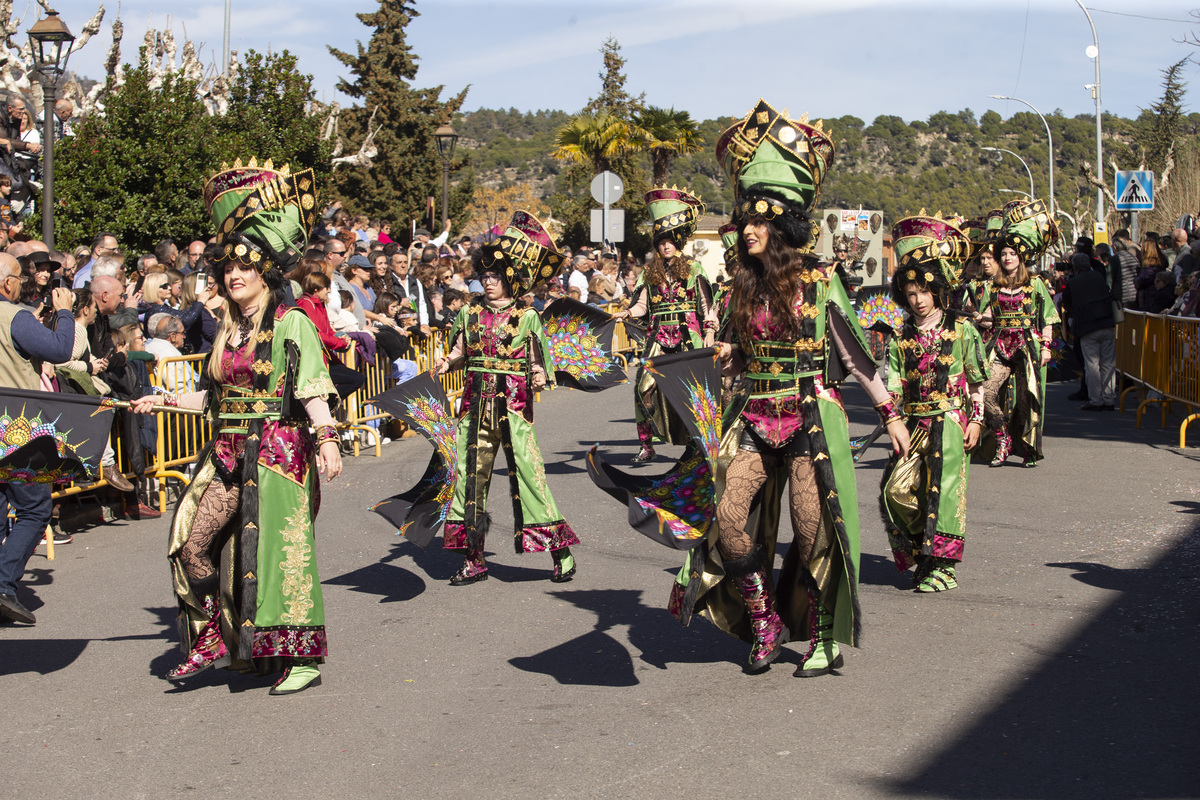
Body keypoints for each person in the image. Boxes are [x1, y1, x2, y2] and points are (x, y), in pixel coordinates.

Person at [673, 100, 909, 676]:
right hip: (754, 418)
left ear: (780, 226)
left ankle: (823, 635)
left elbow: (856, 356)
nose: (746, 229)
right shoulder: (741, 289)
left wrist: (892, 417)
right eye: (743, 220)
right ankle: (763, 621)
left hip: (807, 417)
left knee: (810, 531)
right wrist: (725, 357)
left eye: (756, 221)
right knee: (726, 522)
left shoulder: (821, 283)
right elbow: (733, 360)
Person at [131, 159, 339, 695]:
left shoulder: (290, 322)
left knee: (279, 555)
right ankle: (214, 635)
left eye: (245, 268)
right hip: (226, 454)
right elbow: (215, 395)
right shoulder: (229, 329)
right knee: (189, 544)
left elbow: (310, 386)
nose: (235, 275)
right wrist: (163, 398)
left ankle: (301, 657)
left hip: (279, 454)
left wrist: (328, 440)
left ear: (263, 272)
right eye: (228, 269)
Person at [433, 211, 578, 585]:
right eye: (484, 275)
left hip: (514, 408)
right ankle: (474, 560)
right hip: (474, 406)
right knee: (469, 481)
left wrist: (541, 374)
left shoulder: (528, 316)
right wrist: (445, 361)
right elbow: (459, 353)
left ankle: (560, 552)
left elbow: (538, 360)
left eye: (495, 276)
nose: (488, 281)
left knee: (530, 477)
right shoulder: (468, 312)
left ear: (509, 278)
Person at [880, 216, 987, 593]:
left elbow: (977, 381)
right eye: (910, 295)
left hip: (951, 422)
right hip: (912, 424)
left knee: (944, 492)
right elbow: (893, 384)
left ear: (936, 291)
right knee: (896, 492)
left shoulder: (961, 329)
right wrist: (890, 417)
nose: (918, 300)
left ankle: (943, 567)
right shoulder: (899, 336)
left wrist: (976, 419)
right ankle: (923, 551)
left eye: (923, 292)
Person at [613, 187, 715, 462]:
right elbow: (643, 305)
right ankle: (647, 445)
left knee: (693, 393)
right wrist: (627, 313)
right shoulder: (650, 272)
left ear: (678, 241)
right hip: (657, 338)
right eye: (661, 241)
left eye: (670, 240)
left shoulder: (694, 269)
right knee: (642, 389)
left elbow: (706, 304)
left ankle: (698, 446)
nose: (665, 245)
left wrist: (709, 331)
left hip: (688, 338)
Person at [0, 254, 75, 624]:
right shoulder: (12, 316)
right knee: (34, 508)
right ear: (6, 284)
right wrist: (64, 313)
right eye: (18, 276)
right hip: (14, 428)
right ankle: (3, 584)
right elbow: (60, 350)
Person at [978, 199, 1060, 467]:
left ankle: (1025, 446)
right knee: (986, 393)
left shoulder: (1035, 284)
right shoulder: (992, 288)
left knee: (1027, 398)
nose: (1007, 258)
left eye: (1011, 254)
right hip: (999, 347)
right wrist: (982, 319)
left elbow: (1046, 317)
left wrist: (1046, 346)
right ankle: (1002, 438)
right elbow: (988, 319)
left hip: (1027, 347)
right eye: (1003, 255)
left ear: (1020, 257)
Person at [1061, 251, 1117, 411]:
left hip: (1086, 326)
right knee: (1108, 363)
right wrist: (1090, 259)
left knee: (1092, 365)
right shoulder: (1099, 276)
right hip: (1106, 323)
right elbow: (1099, 266)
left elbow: (1066, 301)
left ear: (1075, 267)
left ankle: (1096, 399)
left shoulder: (1073, 283)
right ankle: (1109, 398)